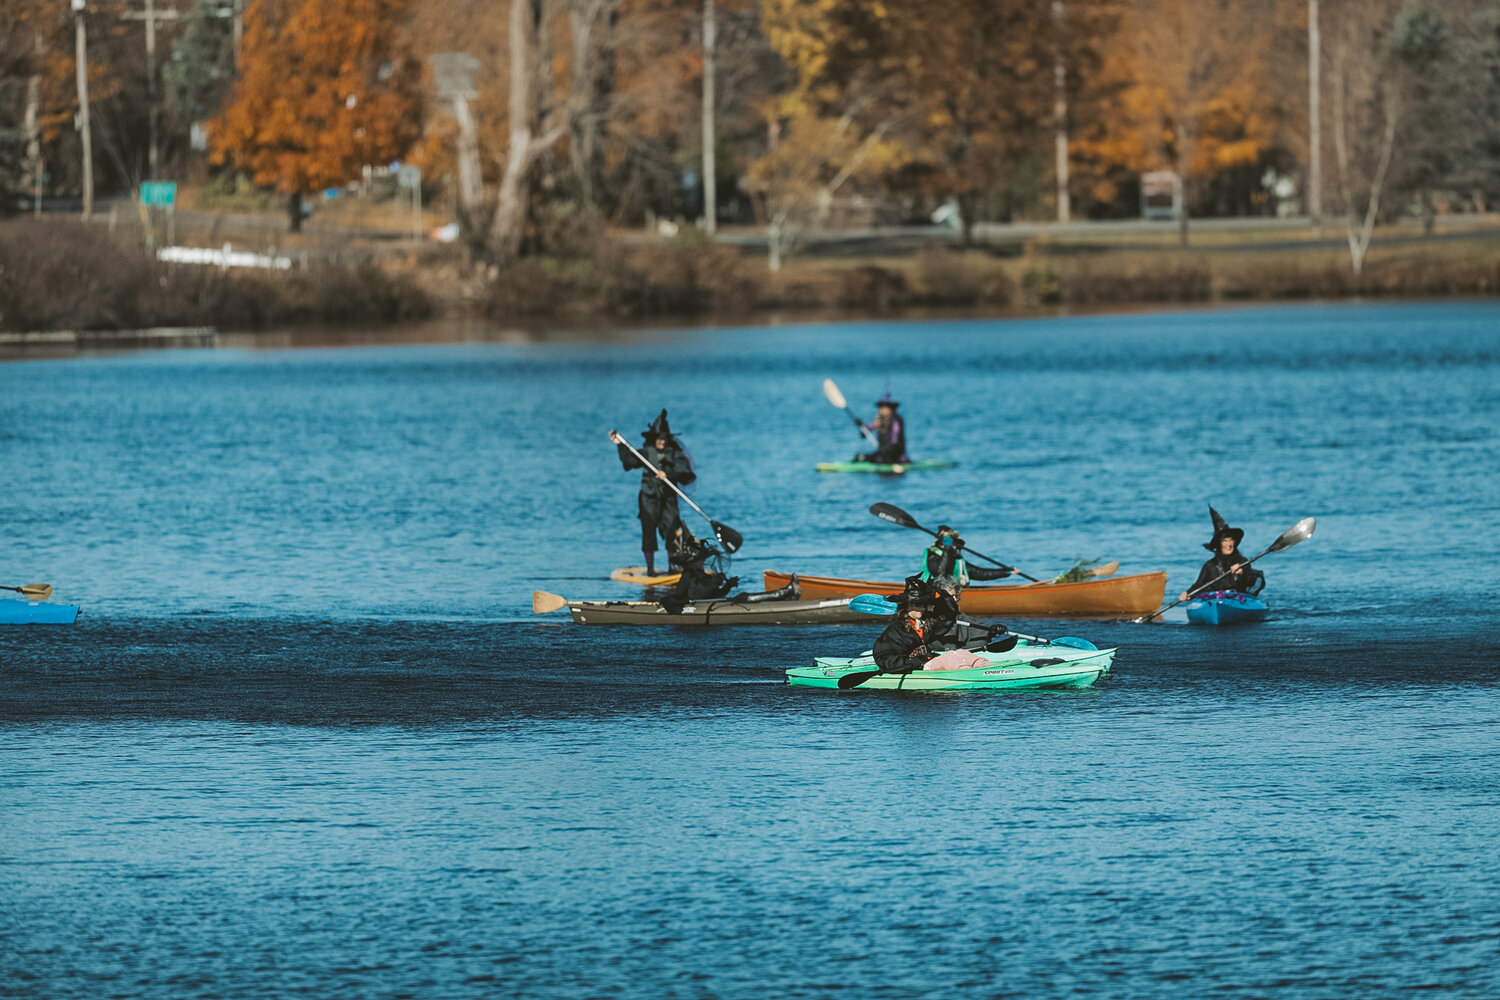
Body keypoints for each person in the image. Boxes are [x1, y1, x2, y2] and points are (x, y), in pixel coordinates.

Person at [611, 409, 695, 576]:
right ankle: (650, 569)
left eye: (664, 438)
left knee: (672, 531)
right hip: (649, 499)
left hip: (669, 499)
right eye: (659, 438)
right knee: (649, 533)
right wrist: (620, 445)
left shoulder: (676, 454)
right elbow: (628, 464)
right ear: (654, 439)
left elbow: (687, 474)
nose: (662, 441)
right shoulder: (646, 453)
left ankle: (673, 567)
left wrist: (668, 475)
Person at [1179, 506, 1265, 602]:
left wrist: (1242, 572)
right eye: (1225, 541)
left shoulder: (1242, 561)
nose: (1229, 544)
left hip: (1237, 600)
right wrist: (1188, 593)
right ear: (1219, 544)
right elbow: (1199, 585)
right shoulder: (1210, 565)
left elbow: (1253, 581)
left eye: (1231, 540)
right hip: (1214, 600)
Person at [918, 526, 1012, 594]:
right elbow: (940, 571)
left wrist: (1005, 572)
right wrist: (948, 549)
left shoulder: (957, 561)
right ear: (943, 545)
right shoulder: (933, 556)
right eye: (953, 545)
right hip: (934, 592)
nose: (955, 548)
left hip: (952, 592)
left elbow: (978, 573)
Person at [665, 525, 737, 602]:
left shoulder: (703, 575)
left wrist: (728, 586)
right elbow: (692, 595)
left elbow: (716, 595)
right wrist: (715, 582)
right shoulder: (689, 575)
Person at [855, 393, 908, 464]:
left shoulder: (896, 421)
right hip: (883, 453)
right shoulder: (880, 421)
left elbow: (895, 440)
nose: (881, 410)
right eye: (881, 408)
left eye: (884, 408)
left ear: (891, 409)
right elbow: (865, 432)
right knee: (859, 457)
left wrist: (887, 452)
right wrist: (861, 425)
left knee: (879, 459)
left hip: (895, 455)